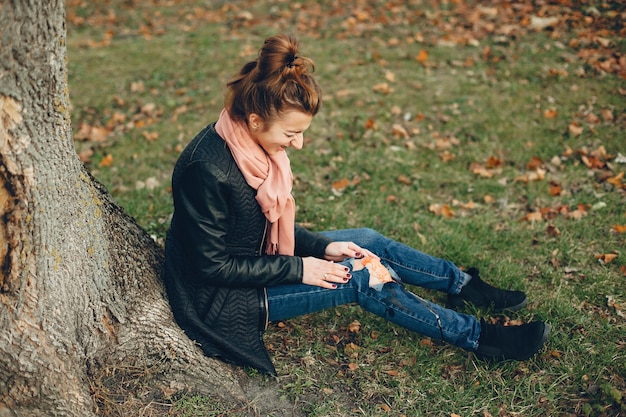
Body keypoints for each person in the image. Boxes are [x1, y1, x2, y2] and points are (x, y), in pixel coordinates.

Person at [163, 34, 550, 376]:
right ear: (254, 120)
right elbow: (210, 266)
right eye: (292, 133)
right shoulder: (207, 169)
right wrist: (301, 268)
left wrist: (320, 248)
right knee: (362, 277)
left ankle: (462, 284)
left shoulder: (250, 148)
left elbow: (259, 226)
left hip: (253, 260)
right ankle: (482, 338)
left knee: (365, 240)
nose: (297, 144)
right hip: (223, 300)